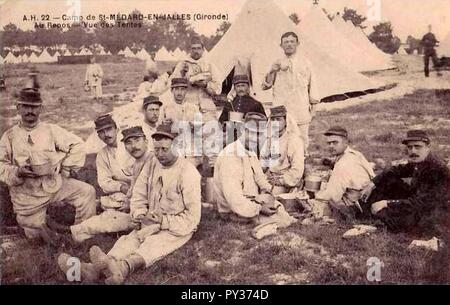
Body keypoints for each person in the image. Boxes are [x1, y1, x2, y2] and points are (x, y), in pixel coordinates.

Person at [59, 123, 202, 284]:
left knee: (153, 244)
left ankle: (122, 269)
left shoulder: (188, 173)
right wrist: (139, 213)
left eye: (164, 149)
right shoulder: (153, 163)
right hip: (149, 220)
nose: (159, 154)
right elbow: (139, 194)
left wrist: (163, 221)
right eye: (156, 149)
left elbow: (192, 218)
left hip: (176, 228)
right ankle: (94, 268)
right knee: (128, 240)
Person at [0, 88, 96, 241]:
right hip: (27, 195)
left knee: (87, 192)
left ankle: (82, 234)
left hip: (53, 184)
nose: (30, 110)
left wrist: (65, 169)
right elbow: (1, 165)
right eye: (25, 106)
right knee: (35, 235)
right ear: (18, 107)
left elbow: (77, 144)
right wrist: (18, 172)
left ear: (41, 108)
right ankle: (41, 225)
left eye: (34, 106)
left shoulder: (51, 130)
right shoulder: (9, 136)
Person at [64, 126, 154, 243]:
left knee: (112, 219)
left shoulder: (153, 160)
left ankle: (68, 232)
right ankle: (72, 231)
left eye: (137, 141)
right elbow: (133, 189)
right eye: (128, 143)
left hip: (152, 213)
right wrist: (130, 201)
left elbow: (152, 194)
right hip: (139, 206)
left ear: (146, 142)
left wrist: (134, 205)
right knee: (113, 214)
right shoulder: (138, 162)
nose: (134, 146)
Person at [214, 112, 295, 227]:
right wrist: (260, 208)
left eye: (258, 134)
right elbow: (234, 200)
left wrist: (269, 192)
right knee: (282, 221)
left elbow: (259, 178)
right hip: (233, 210)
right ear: (242, 129)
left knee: (279, 209)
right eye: (251, 132)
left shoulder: (250, 151)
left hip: (252, 200)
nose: (254, 138)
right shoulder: (231, 155)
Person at [362, 130, 450, 233]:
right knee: (389, 179)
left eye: (418, 147)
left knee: (386, 214)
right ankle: (365, 209)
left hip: (433, 213)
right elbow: (395, 170)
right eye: (410, 147)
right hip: (418, 202)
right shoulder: (420, 161)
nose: (413, 151)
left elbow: (420, 202)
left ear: (428, 148)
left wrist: (387, 203)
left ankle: (370, 213)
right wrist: (371, 184)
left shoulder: (436, 168)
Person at [262, 32, 320, 153]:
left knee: (302, 139)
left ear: (297, 44)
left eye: (292, 41)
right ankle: (280, 167)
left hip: (300, 107)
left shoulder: (306, 63)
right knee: (279, 138)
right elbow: (265, 86)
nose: (289, 44)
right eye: (286, 42)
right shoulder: (276, 63)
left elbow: (312, 85)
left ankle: (302, 165)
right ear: (281, 45)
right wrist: (272, 71)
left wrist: (313, 107)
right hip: (281, 108)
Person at [310, 126, 375, 221]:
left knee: (316, 205)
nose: (331, 146)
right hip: (369, 198)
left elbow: (333, 195)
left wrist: (313, 196)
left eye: (335, 142)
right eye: (329, 143)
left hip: (358, 206)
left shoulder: (343, 164)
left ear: (345, 143)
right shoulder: (355, 154)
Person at [170, 36, 221, 119]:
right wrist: (183, 75)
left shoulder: (209, 64)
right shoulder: (183, 64)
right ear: (189, 50)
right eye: (193, 49)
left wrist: (205, 85)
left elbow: (218, 88)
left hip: (207, 105)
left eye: (198, 48)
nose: (196, 51)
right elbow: (172, 84)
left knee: (211, 127)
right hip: (189, 104)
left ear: (203, 49)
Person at [260, 105, 305, 194]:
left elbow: (297, 170)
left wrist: (280, 181)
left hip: (286, 181)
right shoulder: (269, 139)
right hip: (270, 177)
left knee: (269, 196)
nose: (275, 123)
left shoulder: (293, 140)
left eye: (278, 119)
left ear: (285, 121)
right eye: (273, 120)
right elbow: (263, 163)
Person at [94, 114, 133, 211]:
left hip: (143, 187)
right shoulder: (102, 155)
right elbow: (104, 182)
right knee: (110, 206)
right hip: (123, 191)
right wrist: (120, 187)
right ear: (99, 136)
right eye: (102, 132)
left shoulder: (131, 144)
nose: (106, 134)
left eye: (109, 129)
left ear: (117, 129)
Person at [219, 74, 266, 145]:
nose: (240, 89)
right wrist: (228, 124)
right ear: (234, 88)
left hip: (249, 139)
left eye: (243, 85)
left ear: (248, 87)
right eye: (238, 86)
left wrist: (247, 122)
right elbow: (221, 122)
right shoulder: (229, 104)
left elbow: (264, 124)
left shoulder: (256, 104)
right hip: (231, 140)